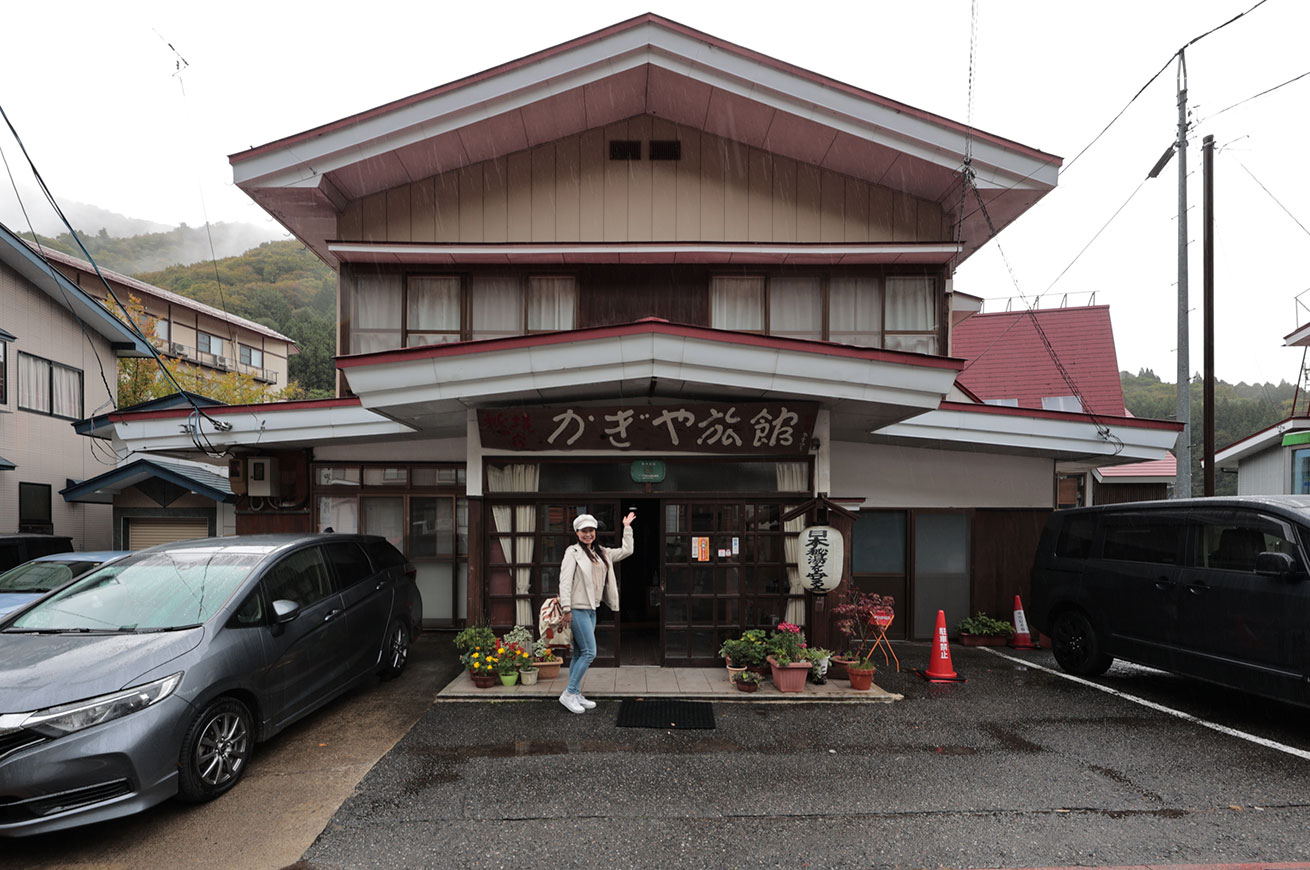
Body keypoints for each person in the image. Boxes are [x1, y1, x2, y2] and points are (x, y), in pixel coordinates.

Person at [558, 510, 635, 713]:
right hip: (577, 609)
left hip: (592, 609)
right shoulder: (572, 552)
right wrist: (566, 609)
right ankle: (569, 693)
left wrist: (627, 528)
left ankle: (574, 693)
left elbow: (627, 551)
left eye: (591, 530)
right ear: (577, 533)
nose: (588, 534)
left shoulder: (601, 552)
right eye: (584, 531)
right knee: (590, 652)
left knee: (580, 653)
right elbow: (564, 582)